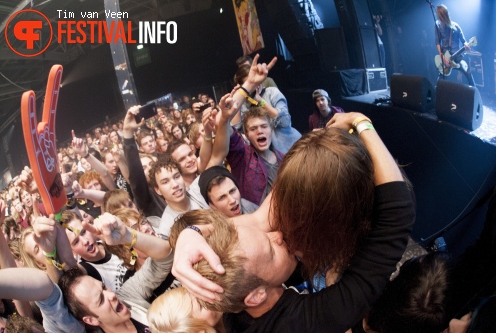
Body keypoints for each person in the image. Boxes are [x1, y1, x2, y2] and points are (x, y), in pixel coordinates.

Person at [171, 111, 415, 332]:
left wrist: (191, 232)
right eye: (271, 249)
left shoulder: (235, 299)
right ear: (256, 296)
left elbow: (258, 219)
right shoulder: (304, 323)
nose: (277, 234)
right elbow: (397, 215)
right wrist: (361, 121)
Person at [435, 4, 475, 86]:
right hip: (445, 58)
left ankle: (475, 94)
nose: (439, 19)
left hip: (457, 57)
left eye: (440, 17)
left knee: (468, 73)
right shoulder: (437, 25)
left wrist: (467, 45)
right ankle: (437, 95)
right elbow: (437, 42)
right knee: (440, 80)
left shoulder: (456, 27)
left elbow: (464, 41)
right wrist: (442, 56)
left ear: (444, 16)